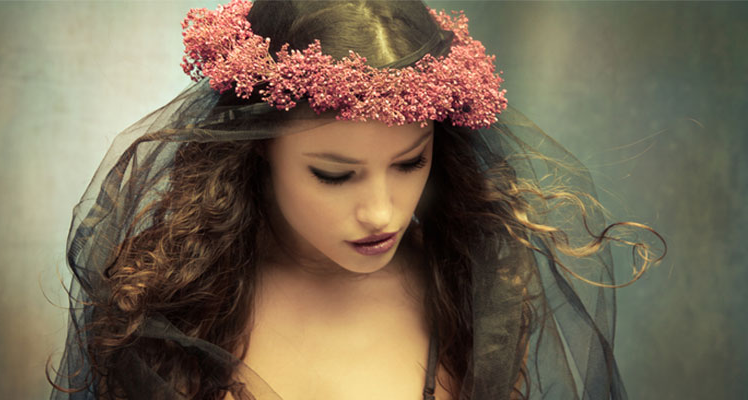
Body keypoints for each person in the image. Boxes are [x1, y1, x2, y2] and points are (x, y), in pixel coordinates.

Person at [48, 1, 664, 399]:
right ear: (256, 150)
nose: (382, 213)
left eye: (410, 163)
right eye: (335, 175)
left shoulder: (470, 284)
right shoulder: (175, 299)